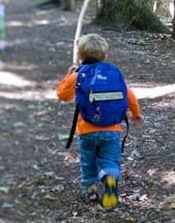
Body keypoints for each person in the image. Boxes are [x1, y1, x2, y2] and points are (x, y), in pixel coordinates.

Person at [57, 34, 143, 210]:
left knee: (88, 160)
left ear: (80, 55)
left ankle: (90, 190)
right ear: (105, 55)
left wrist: (69, 76)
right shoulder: (112, 74)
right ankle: (110, 175)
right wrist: (135, 114)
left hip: (87, 130)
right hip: (112, 129)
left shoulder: (79, 75)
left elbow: (62, 95)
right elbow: (130, 96)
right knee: (111, 158)